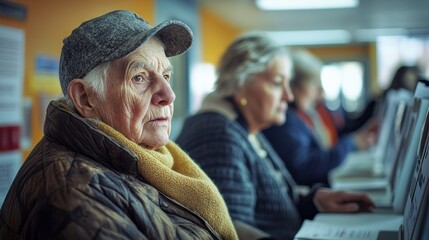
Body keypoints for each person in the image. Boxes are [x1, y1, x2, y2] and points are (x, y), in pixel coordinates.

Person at [0, 10, 238, 240]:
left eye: (165, 76)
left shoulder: (147, 158)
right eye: (139, 78)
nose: (169, 94)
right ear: (85, 99)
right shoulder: (75, 195)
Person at [176, 33, 375, 240]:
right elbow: (230, 230)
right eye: (278, 83)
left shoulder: (243, 126)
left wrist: (314, 201)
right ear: (241, 83)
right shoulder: (217, 134)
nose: (288, 96)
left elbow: (267, 197)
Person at [262, 49, 378, 186]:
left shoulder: (304, 114)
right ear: (297, 86)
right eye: (315, 85)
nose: (320, 92)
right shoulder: (284, 121)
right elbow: (306, 167)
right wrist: (350, 144)